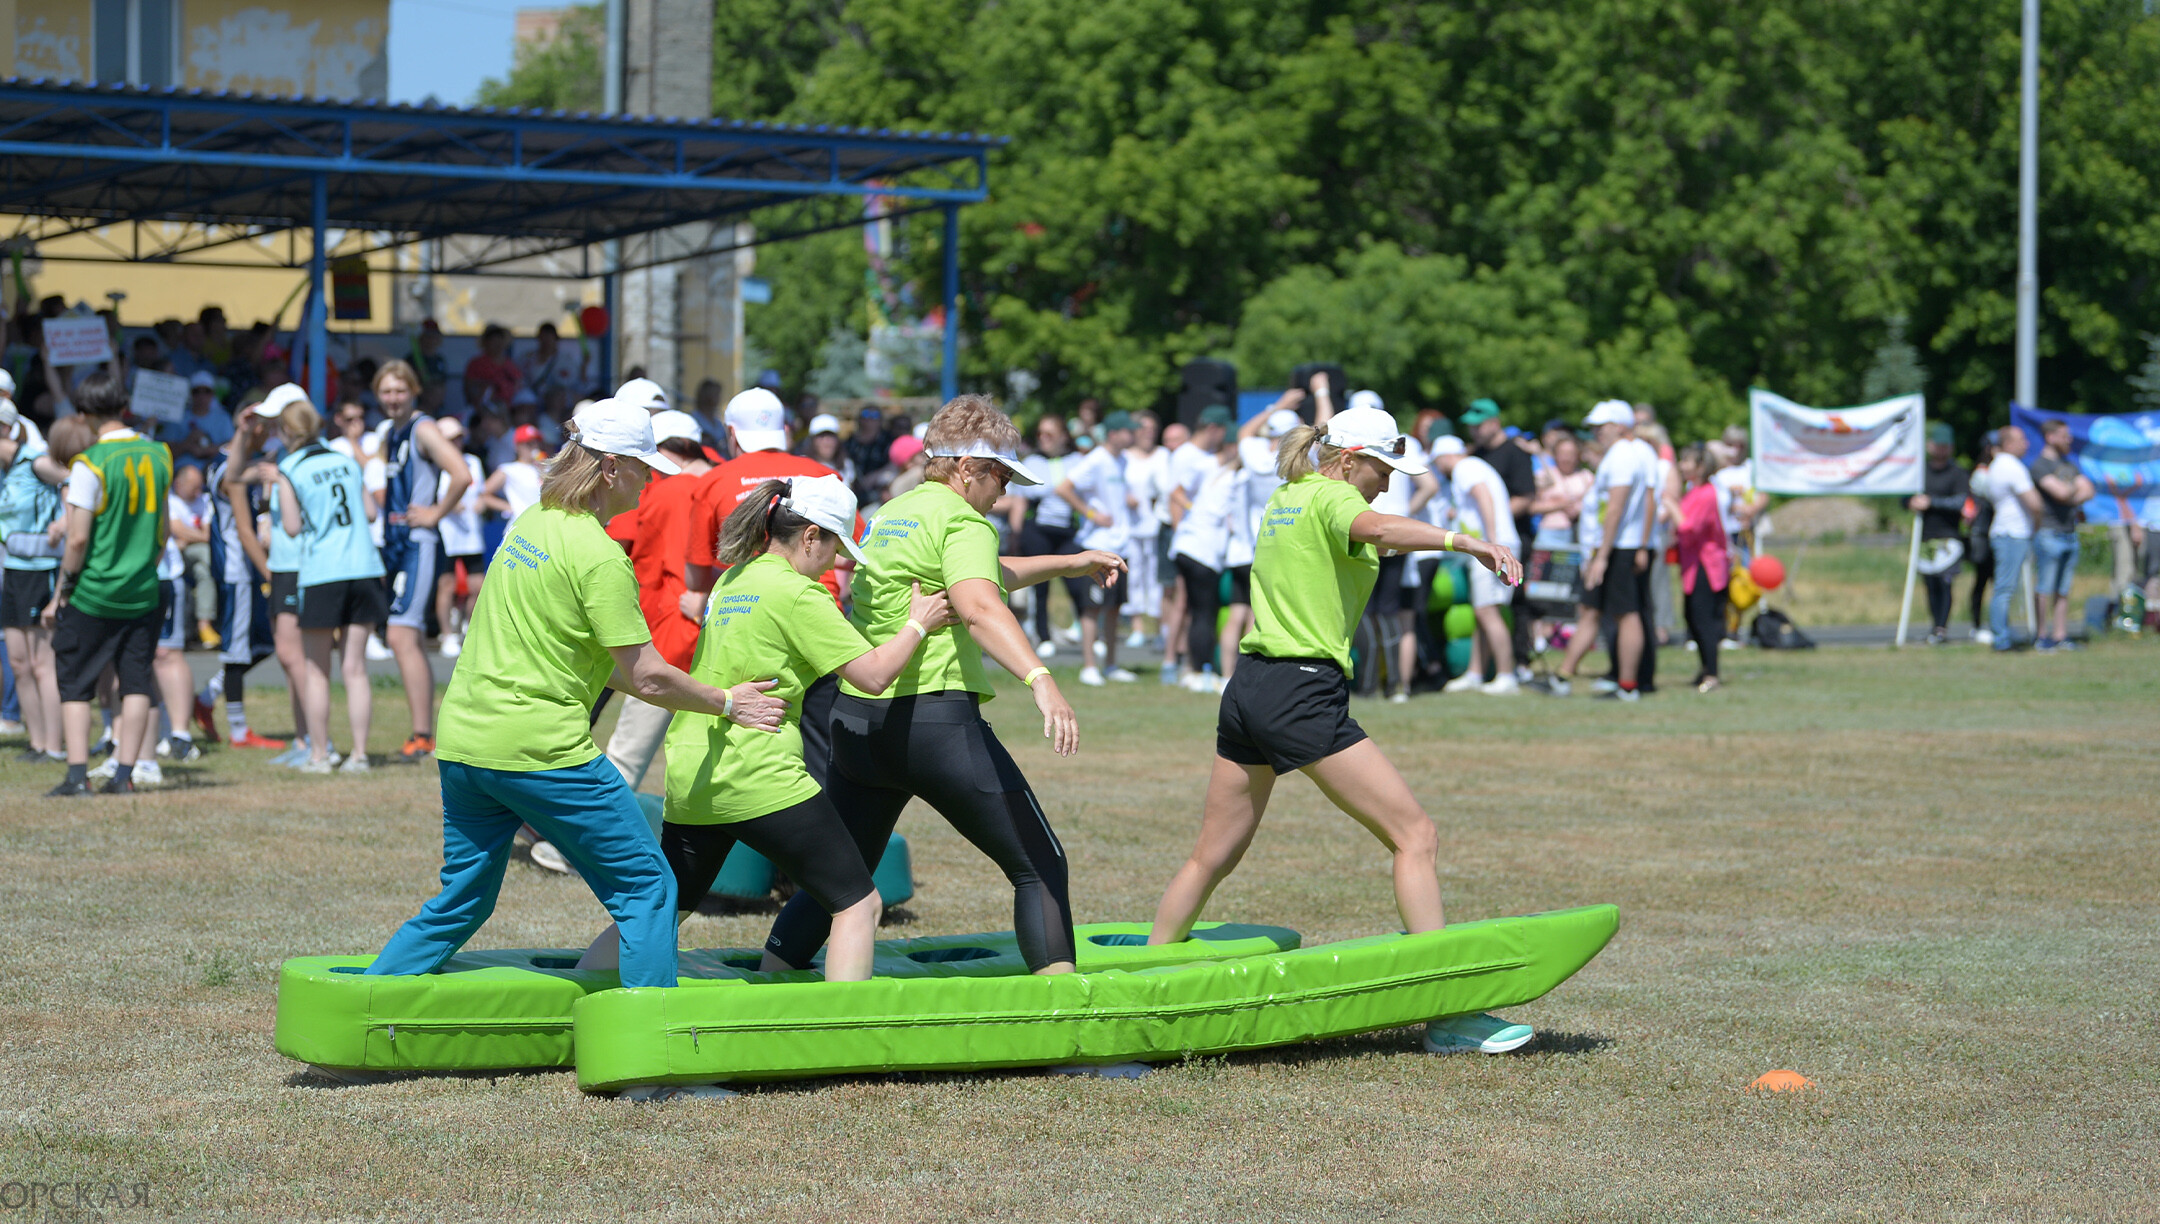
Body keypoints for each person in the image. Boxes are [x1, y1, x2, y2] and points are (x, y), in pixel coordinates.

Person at [1142, 405, 1531, 1054]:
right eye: (1381, 468)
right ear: (1347, 459)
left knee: (1210, 855)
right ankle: (1450, 1015)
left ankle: (1142, 988)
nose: (1386, 482)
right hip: (1299, 690)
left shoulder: (1289, 496)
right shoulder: (1330, 498)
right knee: (1416, 835)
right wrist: (1467, 542)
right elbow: (1375, 526)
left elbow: (1368, 529)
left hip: (1249, 687)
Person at [364, 399, 785, 992]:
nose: (652, 478)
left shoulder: (531, 521)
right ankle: (648, 1064)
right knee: (650, 889)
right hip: (541, 752)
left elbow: (596, 660)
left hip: (464, 744)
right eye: (644, 466)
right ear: (611, 469)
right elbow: (647, 676)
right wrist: (727, 702)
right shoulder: (600, 556)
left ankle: (364, 1009)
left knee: (463, 900)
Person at [761, 396, 1126, 977]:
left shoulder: (892, 512)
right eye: (1001, 474)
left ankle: (771, 982)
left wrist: (1069, 562)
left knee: (846, 877)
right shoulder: (962, 520)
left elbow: (977, 575)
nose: (1006, 489)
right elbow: (978, 604)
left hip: (859, 726)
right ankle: (1064, 1020)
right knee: (1040, 865)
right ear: (966, 469)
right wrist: (1041, 679)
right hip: (932, 725)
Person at [579, 476, 958, 982]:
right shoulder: (801, 595)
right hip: (759, 773)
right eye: (835, 548)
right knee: (858, 904)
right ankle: (843, 1045)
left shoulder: (733, 579)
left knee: (664, 911)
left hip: (695, 770)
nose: (835, 562)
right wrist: (918, 623)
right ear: (809, 537)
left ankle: (578, 1001)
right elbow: (872, 677)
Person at [41, 372, 171, 797]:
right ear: (123, 404)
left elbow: (77, 537)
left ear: (83, 414)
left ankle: (77, 776)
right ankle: (124, 775)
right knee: (136, 680)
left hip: (96, 591)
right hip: (144, 589)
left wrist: (64, 589)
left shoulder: (91, 462)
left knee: (75, 681)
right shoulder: (159, 453)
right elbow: (164, 530)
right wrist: (144, 567)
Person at [268, 389, 387, 774]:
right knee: (355, 668)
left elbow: (290, 526)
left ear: (287, 432)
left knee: (317, 669)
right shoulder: (346, 460)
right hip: (364, 566)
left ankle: (319, 755)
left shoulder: (291, 468)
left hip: (322, 572)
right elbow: (370, 512)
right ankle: (360, 754)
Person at [598, 410, 712, 792]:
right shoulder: (719, 484)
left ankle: (566, 848)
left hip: (667, 633)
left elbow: (631, 550)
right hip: (717, 632)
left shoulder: (667, 491)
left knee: (627, 754)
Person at [377, 359, 470, 758]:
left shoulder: (422, 428)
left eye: (399, 390)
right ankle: (421, 732)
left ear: (413, 391)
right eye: (386, 391)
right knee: (404, 635)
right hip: (397, 541)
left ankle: (423, 734)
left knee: (401, 634)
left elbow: (462, 474)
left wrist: (434, 512)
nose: (392, 398)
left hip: (419, 541)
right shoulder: (391, 432)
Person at [1563, 400, 1658, 699]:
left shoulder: (1623, 457)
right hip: (1610, 546)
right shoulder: (1617, 455)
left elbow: (1615, 508)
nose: (1595, 433)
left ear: (1619, 425)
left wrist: (1602, 556)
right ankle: (1564, 675)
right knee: (1591, 610)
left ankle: (1628, 685)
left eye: (1600, 427)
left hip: (1619, 547)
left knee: (1627, 614)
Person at [1, 405, 69, 761]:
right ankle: (37, 742)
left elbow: (77, 480)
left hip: (40, 569)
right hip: (12, 569)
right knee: (18, 663)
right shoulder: (4, 470)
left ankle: (55, 746)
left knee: (43, 663)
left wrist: (65, 519)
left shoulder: (35, 461)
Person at [1430, 434, 1521, 695]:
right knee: (1483, 611)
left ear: (1444, 456)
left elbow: (1483, 496)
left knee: (1487, 612)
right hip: (1492, 547)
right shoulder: (1473, 466)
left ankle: (1506, 675)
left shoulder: (1465, 468)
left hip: (1494, 547)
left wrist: (1492, 542)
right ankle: (1476, 672)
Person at [1056, 410, 1140, 685]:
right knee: (1092, 607)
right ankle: (1089, 666)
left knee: (1114, 608)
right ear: (1113, 434)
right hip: (1097, 545)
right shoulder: (1096, 459)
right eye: (1128, 431)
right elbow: (1064, 488)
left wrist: (1126, 500)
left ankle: (1111, 664)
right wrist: (1091, 514)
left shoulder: (1123, 460)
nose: (1132, 435)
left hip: (1120, 543)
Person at [1462, 399, 1537, 675]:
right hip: (1488, 539)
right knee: (1485, 606)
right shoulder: (1477, 454)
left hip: (1515, 535)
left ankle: (1521, 661)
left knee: (1517, 605)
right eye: (1471, 427)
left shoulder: (1516, 453)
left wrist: (1496, 518)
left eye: (1479, 425)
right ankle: (1481, 668)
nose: (1475, 431)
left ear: (1495, 422)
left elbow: (1526, 498)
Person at [1170, 429, 1243, 692]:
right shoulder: (1236, 477)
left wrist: (1191, 516)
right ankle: (1199, 670)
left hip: (1186, 545)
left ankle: (1191, 667)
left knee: (1193, 610)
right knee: (1203, 613)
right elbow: (1176, 493)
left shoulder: (1213, 469)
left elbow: (1177, 493)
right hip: (1204, 550)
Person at [1013, 414, 1082, 655]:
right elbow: (1019, 501)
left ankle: (1085, 631)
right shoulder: (1032, 462)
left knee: (1078, 580)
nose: (1043, 439)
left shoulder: (1077, 461)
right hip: (1038, 529)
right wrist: (1016, 533)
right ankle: (1044, 637)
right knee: (1040, 586)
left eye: (1049, 434)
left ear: (1063, 436)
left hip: (1068, 529)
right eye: (1040, 434)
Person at [2028, 419, 2094, 651]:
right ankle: (2041, 636)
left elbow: (2088, 490)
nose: (2069, 440)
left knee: (2063, 589)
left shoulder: (2068, 464)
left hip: (2069, 532)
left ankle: (2060, 635)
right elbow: (2060, 493)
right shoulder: (2040, 466)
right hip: (2048, 532)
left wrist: (2069, 493)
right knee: (2044, 588)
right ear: (2051, 437)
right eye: (2065, 436)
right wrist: (2072, 491)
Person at [1667, 444, 1729, 692]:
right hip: (1692, 565)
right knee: (1691, 616)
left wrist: (1670, 506)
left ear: (1700, 467)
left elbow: (1689, 527)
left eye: (1687, 462)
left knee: (1704, 620)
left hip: (1706, 565)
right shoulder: (1693, 491)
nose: (1682, 466)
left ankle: (1712, 673)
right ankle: (1704, 668)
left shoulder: (1707, 494)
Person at [1909, 423, 1973, 645]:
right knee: (1930, 585)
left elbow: (1961, 501)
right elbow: (1905, 498)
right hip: (1925, 537)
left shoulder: (1958, 473)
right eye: (1938, 445)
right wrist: (1911, 502)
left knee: (1945, 583)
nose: (1942, 450)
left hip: (1949, 537)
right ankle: (1934, 625)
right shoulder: (1919, 472)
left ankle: (1941, 628)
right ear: (1929, 446)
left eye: (1946, 446)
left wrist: (1931, 502)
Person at [431, 416, 489, 659]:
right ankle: (447, 634)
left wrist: (481, 505)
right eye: (452, 438)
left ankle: (468, 628)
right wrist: (449, 505)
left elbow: (481, 493)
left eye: (459, 437)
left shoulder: (473, 462)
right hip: (447, 533)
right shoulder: (436, 466)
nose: (458, 442)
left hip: (470, 533)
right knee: (447, 585)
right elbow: (435, 497)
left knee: (478, 585)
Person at [1983, 424, 2044, 651]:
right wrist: (2037, 525)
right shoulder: (2010, 466)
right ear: (2007, 444)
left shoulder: (1998, 465)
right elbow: (2035, 503)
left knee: (2004, 588)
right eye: (2021, 439)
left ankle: (2002, 635)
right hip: (2012, 533)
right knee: (2005, 589)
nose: (2026, 443)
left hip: (2006, 532)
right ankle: (2001, 638)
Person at [1968, 431, 1999, 644]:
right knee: (1982, 581)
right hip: (1983, 533)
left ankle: (1997, 624)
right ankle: (1977, 625)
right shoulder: (1981, 473)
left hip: (1997, 531)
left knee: (2000, 583)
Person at [802, 412, 858, 488]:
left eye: (831, 435)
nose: (826, 441)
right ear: (812, 440)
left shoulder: (846, 465)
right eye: (821, 436)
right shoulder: (802, 464)